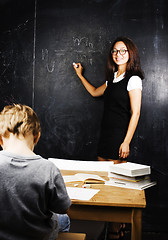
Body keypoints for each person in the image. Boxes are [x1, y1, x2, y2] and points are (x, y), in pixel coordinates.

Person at [73, 36, 144, 239]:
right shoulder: (113, 78)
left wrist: (126, 141)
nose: (118, 54)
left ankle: (116, 231)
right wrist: (80, 75)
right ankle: (114, 229)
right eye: (114, 51)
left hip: (119, 139)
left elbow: (136, 113)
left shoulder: (134, 79)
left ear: (130, 54)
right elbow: (95, 92)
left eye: (122, 51)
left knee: (116, 189)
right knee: (103, 185)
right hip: (105, 136)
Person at [0, 104, 71, 240]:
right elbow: (63, 208)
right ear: (37, 137)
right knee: (64, 219)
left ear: (0, 139)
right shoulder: (48, 169)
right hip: (38, 236)